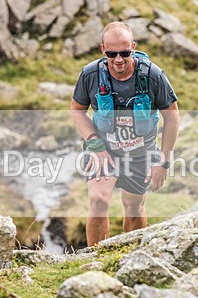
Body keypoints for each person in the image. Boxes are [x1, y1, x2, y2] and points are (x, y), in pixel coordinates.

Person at [70, 22, 180, 246]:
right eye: (111, 53)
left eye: (125, 52)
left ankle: (132, 256)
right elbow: (77, 110)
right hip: (103, 149)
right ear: (103, 50)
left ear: (133, 47)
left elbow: (172, 116)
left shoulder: (153, 76)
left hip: (140, 153)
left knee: (133, 205)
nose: (118, 59)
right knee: (98, 200)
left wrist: (164, 160)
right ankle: (96, 261)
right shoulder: (90, 75)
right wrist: (94, 145)